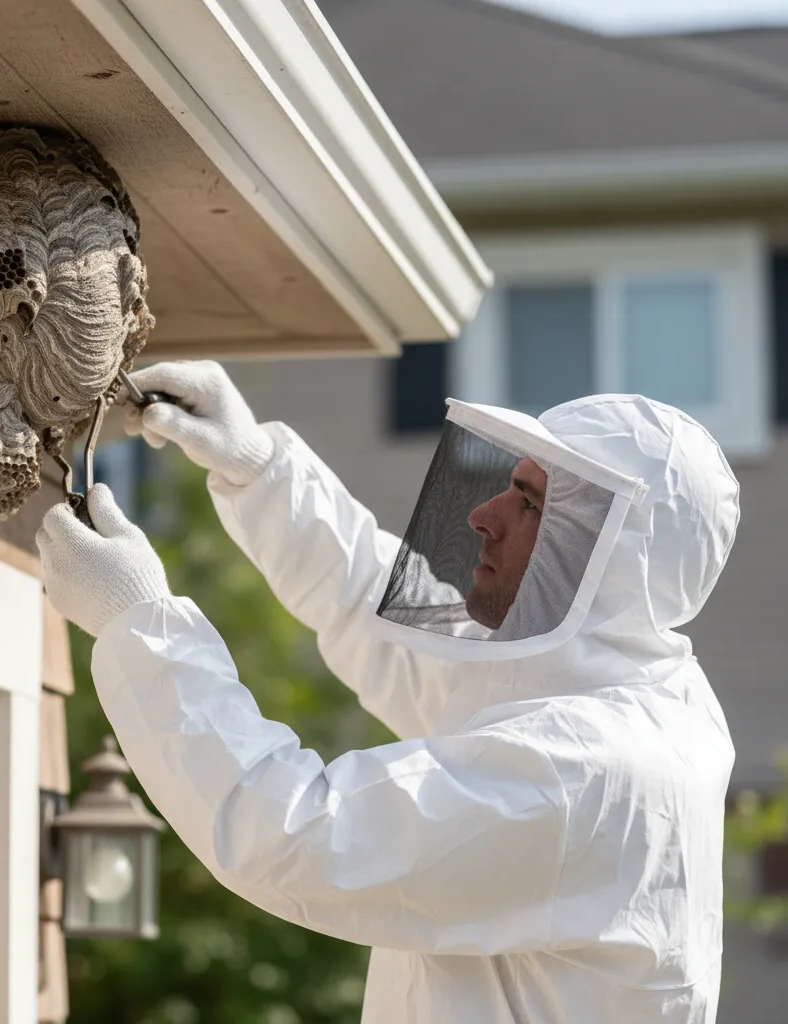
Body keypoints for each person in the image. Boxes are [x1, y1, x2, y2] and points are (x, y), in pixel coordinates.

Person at [37, 360, 740, 1024]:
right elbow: (397, 632)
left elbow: (294, 835)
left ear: (603, 553)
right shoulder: (622, 684)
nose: (483, 514)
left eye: (528, 501)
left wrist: (138, 624)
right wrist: (258, 470)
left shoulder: (589, 771)